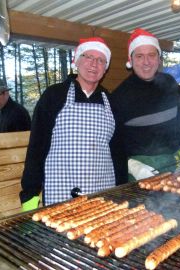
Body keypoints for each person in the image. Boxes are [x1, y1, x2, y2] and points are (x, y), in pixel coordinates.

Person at [20, 37, 115, 211]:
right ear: (76, 61)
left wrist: (121, 189)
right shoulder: (54, 95)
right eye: (88, 57)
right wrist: (30, 193)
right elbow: (37, 146)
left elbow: (117, 149)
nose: (94, 64)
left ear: (105, 68)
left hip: (103, 189)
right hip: (61, 191)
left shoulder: (109, 100)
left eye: (101, 60)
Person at [109, 28, 180, 184]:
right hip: (138, 170)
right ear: (131, 59)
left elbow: (178, 124)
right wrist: (132, 166)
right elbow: (114, 143)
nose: (146, 62)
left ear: (159, 58)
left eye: (151, 55)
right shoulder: (120, 95)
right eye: (139, 56)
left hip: (173, 164)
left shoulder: (170, 83)